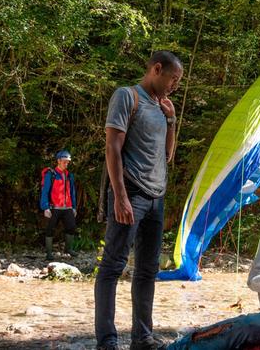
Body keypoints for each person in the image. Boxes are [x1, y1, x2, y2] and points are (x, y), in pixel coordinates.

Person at [94, 51, 183, 350]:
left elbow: (167, 155)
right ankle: (107, 341)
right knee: (112, 266)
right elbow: (112, 149)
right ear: (157, 69)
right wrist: (119, 197)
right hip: (130, 193)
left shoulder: (162, 107)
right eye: (173, 78)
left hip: (157, 197)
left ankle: (142, 338)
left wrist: (171, 120)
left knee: (147, 270)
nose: (175, 85)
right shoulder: (126, 96)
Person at [39, 149, 78, 260]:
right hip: (54, 207)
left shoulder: (69, 175)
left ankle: (68, 249)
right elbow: (45, 191)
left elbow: (72, 192)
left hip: (68, 207)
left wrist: (74, 207)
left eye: (68, 162)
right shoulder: (51, 174)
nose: (66, 163)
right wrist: (45, 207)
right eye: (65, 161)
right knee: (50, 229)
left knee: (71, 227)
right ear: (59, 161)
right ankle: (49, 253)